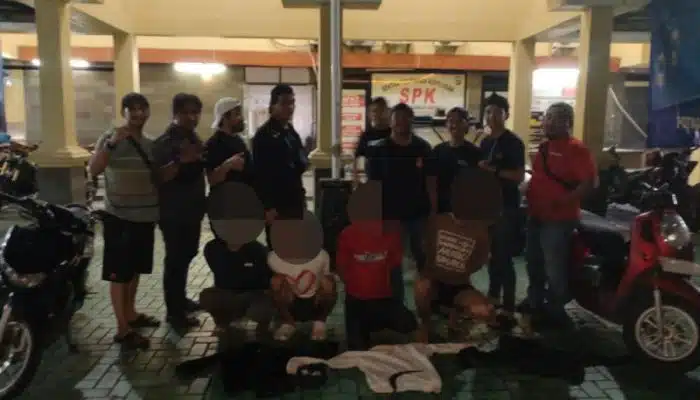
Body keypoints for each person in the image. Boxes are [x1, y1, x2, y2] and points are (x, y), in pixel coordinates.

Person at [88, 93, 160, 349]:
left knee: (135, 269)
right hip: (119, 217)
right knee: (119, 274)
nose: (138, 113)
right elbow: (93, 169)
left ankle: (131, 314)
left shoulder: (150, 144)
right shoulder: (110, 138)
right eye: (132, 109)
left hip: (145, 216)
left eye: (142, 108)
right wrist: (111, 145)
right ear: (124, 113)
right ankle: (122, 328)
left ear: (148, 111)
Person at [524, 102, 596, 328]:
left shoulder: (576, 149)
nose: (548, 122)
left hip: (558, 219)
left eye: (555, 118)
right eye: (547, 117)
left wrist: (562, 202)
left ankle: (556, 311)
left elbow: (588, 183)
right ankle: (535, 300)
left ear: (568, 123)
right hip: (536, 214)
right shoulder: (544, 148)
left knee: (554, 266)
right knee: (533, 261)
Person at [365, 103, 434, 304]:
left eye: (406, 118)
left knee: (424, 260)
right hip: (389, 216)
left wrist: (434, 210)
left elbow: (431, 182)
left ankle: (427, 303)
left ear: (412, 121)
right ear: (391, 122)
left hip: (418, 214)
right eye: (397, 118)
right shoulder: (378, 150)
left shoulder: (423, 148)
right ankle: (396, 305)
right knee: (392, 263)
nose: (401, 122)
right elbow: (372, 186)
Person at [337, 181, 417, 350]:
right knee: (355, 349)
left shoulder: (392, 233)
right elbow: (342, 270)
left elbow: (394, 266)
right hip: (357, 302)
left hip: (384, 300)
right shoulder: (347, 234)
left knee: (412, 328)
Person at [152, 93, 206, 330]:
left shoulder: (194, 139)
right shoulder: (165, 142)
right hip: (173, 212)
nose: (192, 117)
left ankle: (181, 300)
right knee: (175, 260)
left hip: (192, 210)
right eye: (186, 112)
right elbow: (158, 177)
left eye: (195, 112)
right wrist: (180, 161)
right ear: (175, 114)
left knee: (187, 255)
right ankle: (174, 313)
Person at [478, 93, 526, 312]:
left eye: (497, 112)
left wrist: (494, 170)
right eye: (488, 112)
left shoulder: (513, 142)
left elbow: (518, 176)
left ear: (506, 115)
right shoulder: (485, 141)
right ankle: (493, 296)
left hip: (506, 207)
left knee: (504, 256)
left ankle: (508, 304)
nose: (492, 116)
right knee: (490, 256)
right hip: (487, 207)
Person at [251, 84, 308, 247]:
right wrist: (268, 207)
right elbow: (260, 174)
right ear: (272, 106)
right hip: (277, 204)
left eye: (292, 103)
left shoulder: (290, 132)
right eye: (284, 103)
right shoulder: (264, 135)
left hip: (294, 199)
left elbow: (300, 160)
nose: (289, 108)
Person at [268, 213, 337, 341]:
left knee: (329, 282)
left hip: (315, 300)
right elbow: (275, 289)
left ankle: (320, 322)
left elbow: (329, 284)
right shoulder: (273, 257)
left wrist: (325, 284)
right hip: (291, 300)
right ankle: (288, 322)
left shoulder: (321, 255)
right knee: (275, 281)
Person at [430, 107, 482, 215]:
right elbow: (431, 183)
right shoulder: (437, 151)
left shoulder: (475, 153)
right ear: (446, 125)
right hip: (442, 209)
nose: (454, 125)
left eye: (459, 121)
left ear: (466, 125)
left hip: (467, 210)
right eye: (451, 121)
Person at [204, 97, 251, 191]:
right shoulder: (213, 144)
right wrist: (227, 165)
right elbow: (212, 180)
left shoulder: (239, 141)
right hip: (224, 198)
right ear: (225, 118)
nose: (241, 118)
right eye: (237, 114)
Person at [352, 97, 392, 185]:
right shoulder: (366, 136)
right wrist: (356, 179)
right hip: (373, 184)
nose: (376, 114)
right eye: (374, 111)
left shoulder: (395, 133)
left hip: (393, 183)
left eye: (380, 111)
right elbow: (356, 157)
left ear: (387, 112)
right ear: (369, 115)